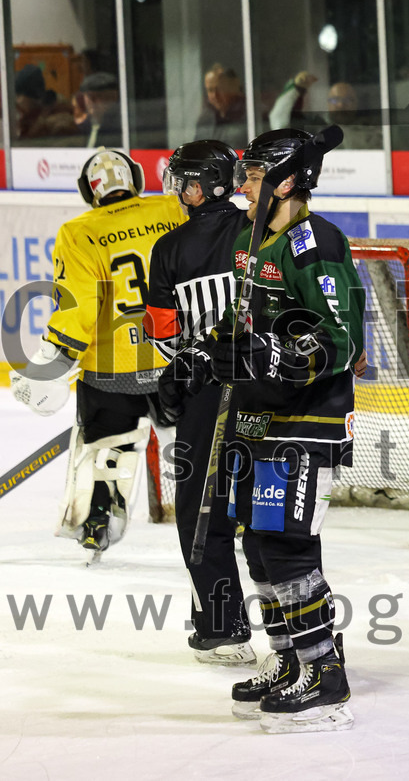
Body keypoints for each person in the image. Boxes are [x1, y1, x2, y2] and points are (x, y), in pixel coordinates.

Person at [165, 128, 366, 732]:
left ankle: (323, 670)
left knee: (286, 545)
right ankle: (289, 661)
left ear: (285, 182)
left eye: (253, 176)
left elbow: (341, 341)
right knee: (257, 542)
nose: (242, 186)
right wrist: (203, 356)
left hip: (307, 419)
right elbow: (240, 326)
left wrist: (262, 357)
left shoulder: (314, 241)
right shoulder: (260, 241)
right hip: (259, 418)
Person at [9, 150, 185, 555]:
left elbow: (79, 308)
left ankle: (98, 522)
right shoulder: (172, 209)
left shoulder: (79, 231)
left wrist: (53, 361)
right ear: (136, 179)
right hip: (178, 360)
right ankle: (233, 514)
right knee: (203, 443)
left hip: (112, 369)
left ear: (88, 191)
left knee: (106, 449)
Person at [144, 140, 256, 666]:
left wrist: (184, 361)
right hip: (266, 387)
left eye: (186, 180)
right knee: (266, 510)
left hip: (207, 395)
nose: (179, 190)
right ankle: (294, 633)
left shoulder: (170, 249)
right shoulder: (259, 230)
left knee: (201, 510)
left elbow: (164, 336)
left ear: (207, 184)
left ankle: (222, 627)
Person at [13, 63, 76, 141]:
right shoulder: (28, 119)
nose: (16, 102)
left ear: (32, 97)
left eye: (18, 96)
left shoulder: (58, 123)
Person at [196, 63, 247, 148]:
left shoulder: (251, 114)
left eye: (219, 89)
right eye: (210, 90)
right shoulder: (205, 118)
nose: (215, 95)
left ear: (233, 87)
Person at [75, 72, 122, 148]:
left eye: (99, 97)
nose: (93, 102)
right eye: (90, 97)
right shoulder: (80, 129)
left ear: (114, 98)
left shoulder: (123, 131)